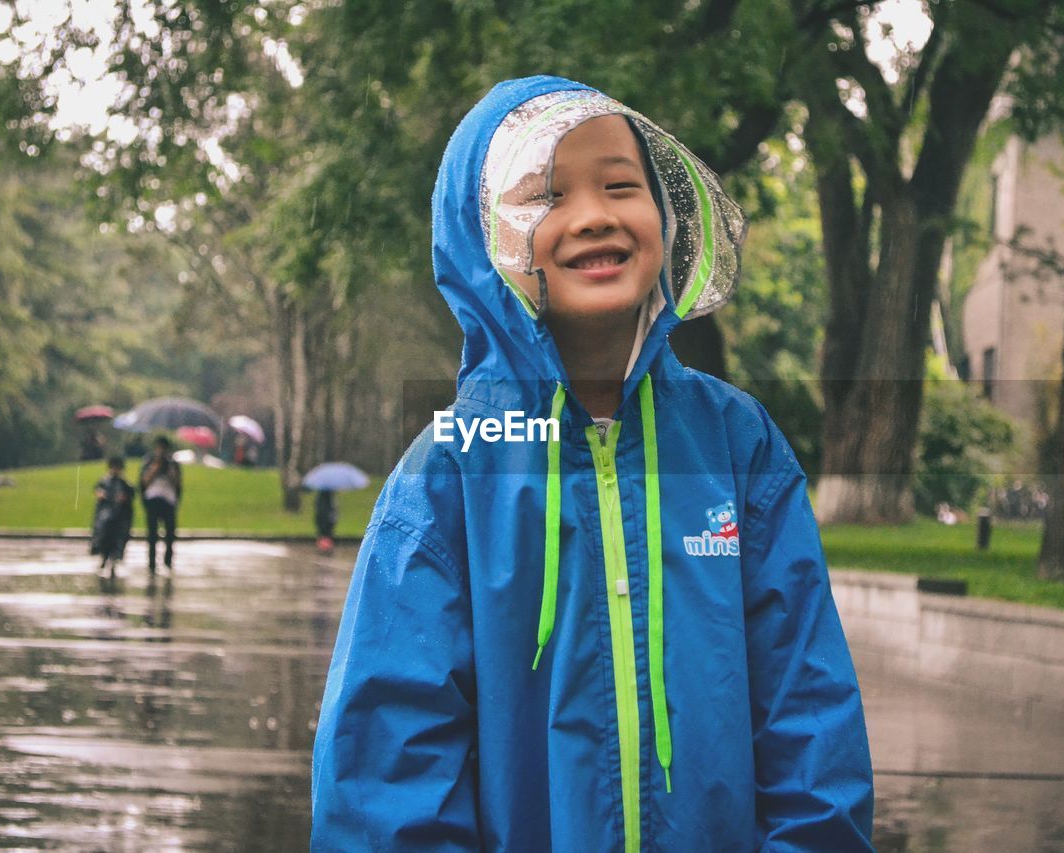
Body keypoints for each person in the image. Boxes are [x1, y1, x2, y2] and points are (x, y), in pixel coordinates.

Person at [311, 77, 874, 851]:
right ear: (484, 242)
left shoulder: (737, 445)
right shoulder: (450, 473)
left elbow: (808, 715)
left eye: (621, 184)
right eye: (544, 197)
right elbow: (388, 765)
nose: (594, 215)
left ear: (667, 213)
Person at [139, 435, 183, 574]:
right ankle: (152, 562)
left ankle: (168, 561)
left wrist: (169, 470)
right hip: (153, 498)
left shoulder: (173, 464)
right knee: (152, 533)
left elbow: (177, 483)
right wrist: (155, 467)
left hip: (168, 500)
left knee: (170, 533)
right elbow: (144, 482)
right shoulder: (149, 461)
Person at [91, 456, 134, 572]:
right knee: (104, 537)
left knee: (117, 539)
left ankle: (114, 559)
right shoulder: (104, 482)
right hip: (106, 516)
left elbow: (130, 495)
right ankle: (104, 558)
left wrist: (123, 498)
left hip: (119, 517)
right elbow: (97, 491)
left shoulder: (125, 484)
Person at [314, 489, 337, 554]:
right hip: (326, 518)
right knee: (325, 531)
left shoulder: (324, 499)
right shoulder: (327, 499)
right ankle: (324, 544)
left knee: (324, 531)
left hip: (325, 518)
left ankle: (324, 544)